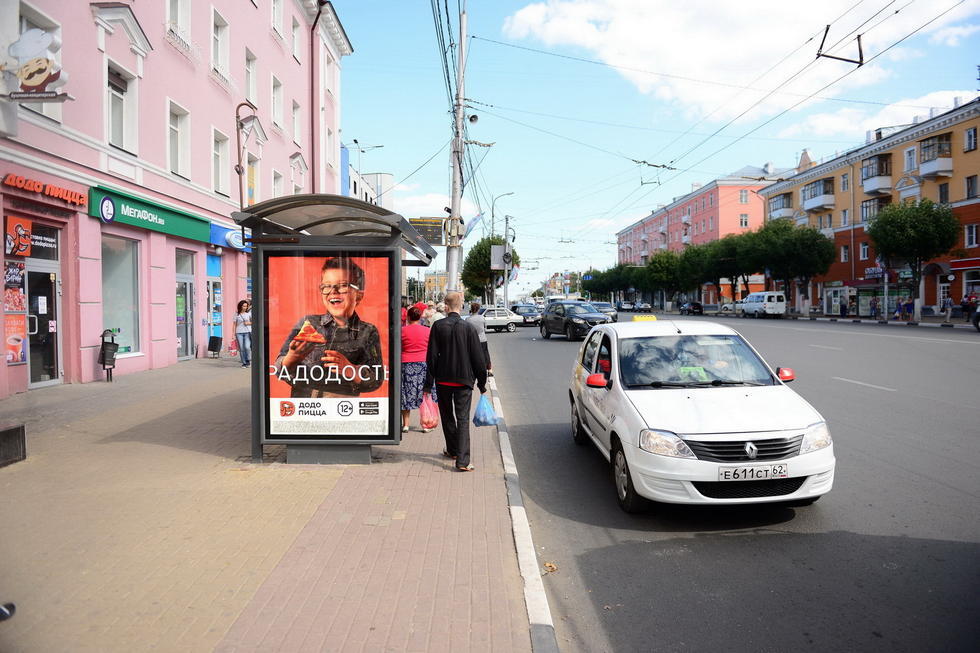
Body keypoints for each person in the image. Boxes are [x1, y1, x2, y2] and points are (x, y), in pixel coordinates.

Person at [274, 257, 383, 398]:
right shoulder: (308, 323)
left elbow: (377, 379)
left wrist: (352, 371)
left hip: (343, 409)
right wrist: (291, 358)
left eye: (343, 285)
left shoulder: (368, 331)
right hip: (303, 407)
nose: (333, 291)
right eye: (326, 286)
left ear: (359, 295)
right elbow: (277, 368)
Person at [423, 291, 488, 472]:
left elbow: (432, 357)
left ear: (445, 305)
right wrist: (482, 384)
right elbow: (478, 359)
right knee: (463, 419)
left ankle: (452, 450)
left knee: (447, 416)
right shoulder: (468, 329)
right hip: (464, 381)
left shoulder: (438, 326)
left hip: (443, 380)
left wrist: (428, 384)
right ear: (461, 305)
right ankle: (463, 461)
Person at [401, 305, 435, 433]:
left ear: (408, 317)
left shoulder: (402, 331)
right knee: (424, 394)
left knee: (405, 394)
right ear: (420, 317)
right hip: (423, 364)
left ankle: (406, 424)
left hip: (406, 364)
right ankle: (426, 424)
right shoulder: (427, 330)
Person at [467, 301, 492, 377]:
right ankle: (489, 370)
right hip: (483, 339)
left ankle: (474, 368)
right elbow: (485, 328)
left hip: (473, 340)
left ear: (471, 309)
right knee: (485, 354)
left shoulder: (468, 319)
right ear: (478, 309)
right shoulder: (482, 318)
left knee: (473, 355)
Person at [233, 300, 252, 368]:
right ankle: (244, 363)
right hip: (239, 333)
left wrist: (248, 323)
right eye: (244, 306)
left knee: (247, 347)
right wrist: (233, 334)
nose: (245, 307)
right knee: (241, 348)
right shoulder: (237, 314)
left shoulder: (249, 314)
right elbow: (234, 324)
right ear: (240, 306)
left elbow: (254, 322)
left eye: (246, 306)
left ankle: (248, 360)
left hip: (247, 332)